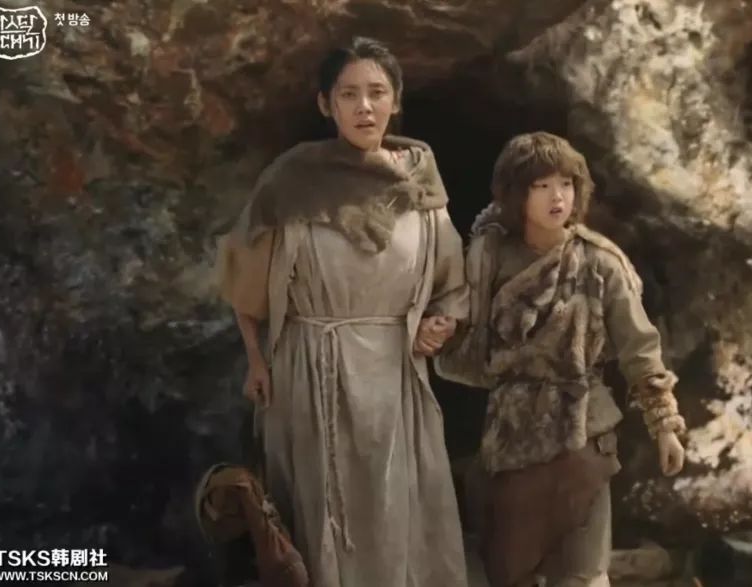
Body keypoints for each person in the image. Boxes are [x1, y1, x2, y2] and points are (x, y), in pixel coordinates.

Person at [215, 36, 469, 587]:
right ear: (325, 104)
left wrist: (440, 322)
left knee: (396, 507)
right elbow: (243, 279)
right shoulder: (291, 180)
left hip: (394, 371)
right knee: (318, 507)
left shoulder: (421, 182)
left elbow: (452, 283)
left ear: (396, 100)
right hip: (311, 366)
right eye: (348, 94)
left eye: (377, 92)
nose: (364, 107)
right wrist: (255, 359)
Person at [435, 132, 686, 587]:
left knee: (584, 575)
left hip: (583, 435)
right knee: (513, 573)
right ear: (516, 193)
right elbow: (465, 338)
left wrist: (664, 426)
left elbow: (639, 347)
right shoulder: (487, 259)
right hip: (511, 438)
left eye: (566, 184)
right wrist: (439, 332)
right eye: (541, 185)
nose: (557, 197)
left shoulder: (600, 262)